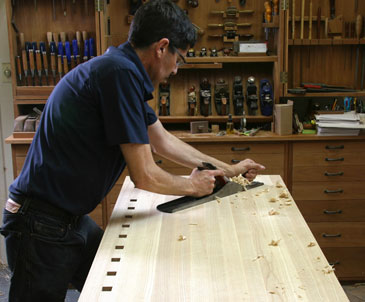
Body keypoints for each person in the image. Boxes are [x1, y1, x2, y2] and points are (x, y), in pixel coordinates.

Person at [0, 0, 265, 301]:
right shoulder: (118, 74)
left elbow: (162, 141)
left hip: (68, 219)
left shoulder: (122, 72)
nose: (177, 70)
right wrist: (192, 185)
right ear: (162, 47)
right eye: (180, 59)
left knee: (120, 289)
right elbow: (145, 175)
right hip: (40, 223)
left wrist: (229, 169)